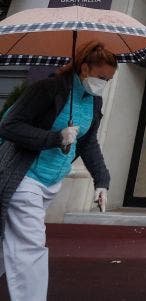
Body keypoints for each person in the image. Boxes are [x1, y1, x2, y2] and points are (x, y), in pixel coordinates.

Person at [0, 41, 117, 300]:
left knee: (12, 244)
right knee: (30, 247)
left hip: (51, 182)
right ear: (84, 68)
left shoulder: (93, 102)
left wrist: (102, 180)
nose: (103, 84)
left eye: (109, 80)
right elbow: (9, 125)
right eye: (101, 77)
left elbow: (88, 142)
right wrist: (55, 137)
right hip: (24, 177)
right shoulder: (48, 88)